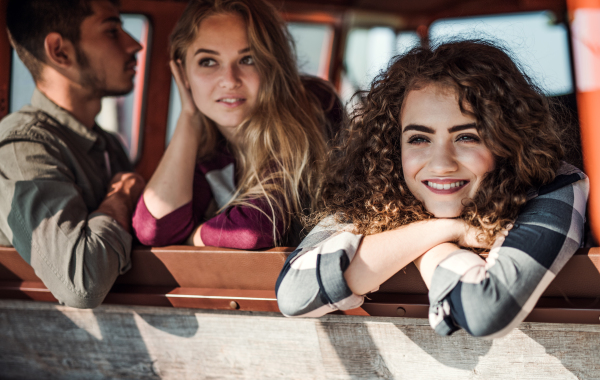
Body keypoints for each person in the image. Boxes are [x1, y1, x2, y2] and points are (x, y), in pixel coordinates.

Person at [276, 40, 589, 338]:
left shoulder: (555, 186)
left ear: (507, 139)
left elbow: (485, 310)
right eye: (419, 139)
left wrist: (422, 251)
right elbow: (294, 293)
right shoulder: (376, 192)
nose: (441, 164)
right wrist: (443, 231)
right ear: (392, 146)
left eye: (467, 137)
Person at [132, 0, 331, 249]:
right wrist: (189, 118)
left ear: (272, 65)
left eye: (248, 59)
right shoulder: (209, 150)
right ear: (182, 73)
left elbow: (254, 229)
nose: (229, 80)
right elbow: (154, 229)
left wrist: (193, 236)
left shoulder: (313, 103)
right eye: (208, 61)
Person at [0, 0, 146, 308]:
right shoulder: (23, 145)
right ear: (60, 51)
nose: (134, 44)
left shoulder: (108, 144)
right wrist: (122, 195)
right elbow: (82, 283)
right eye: (112, 31)